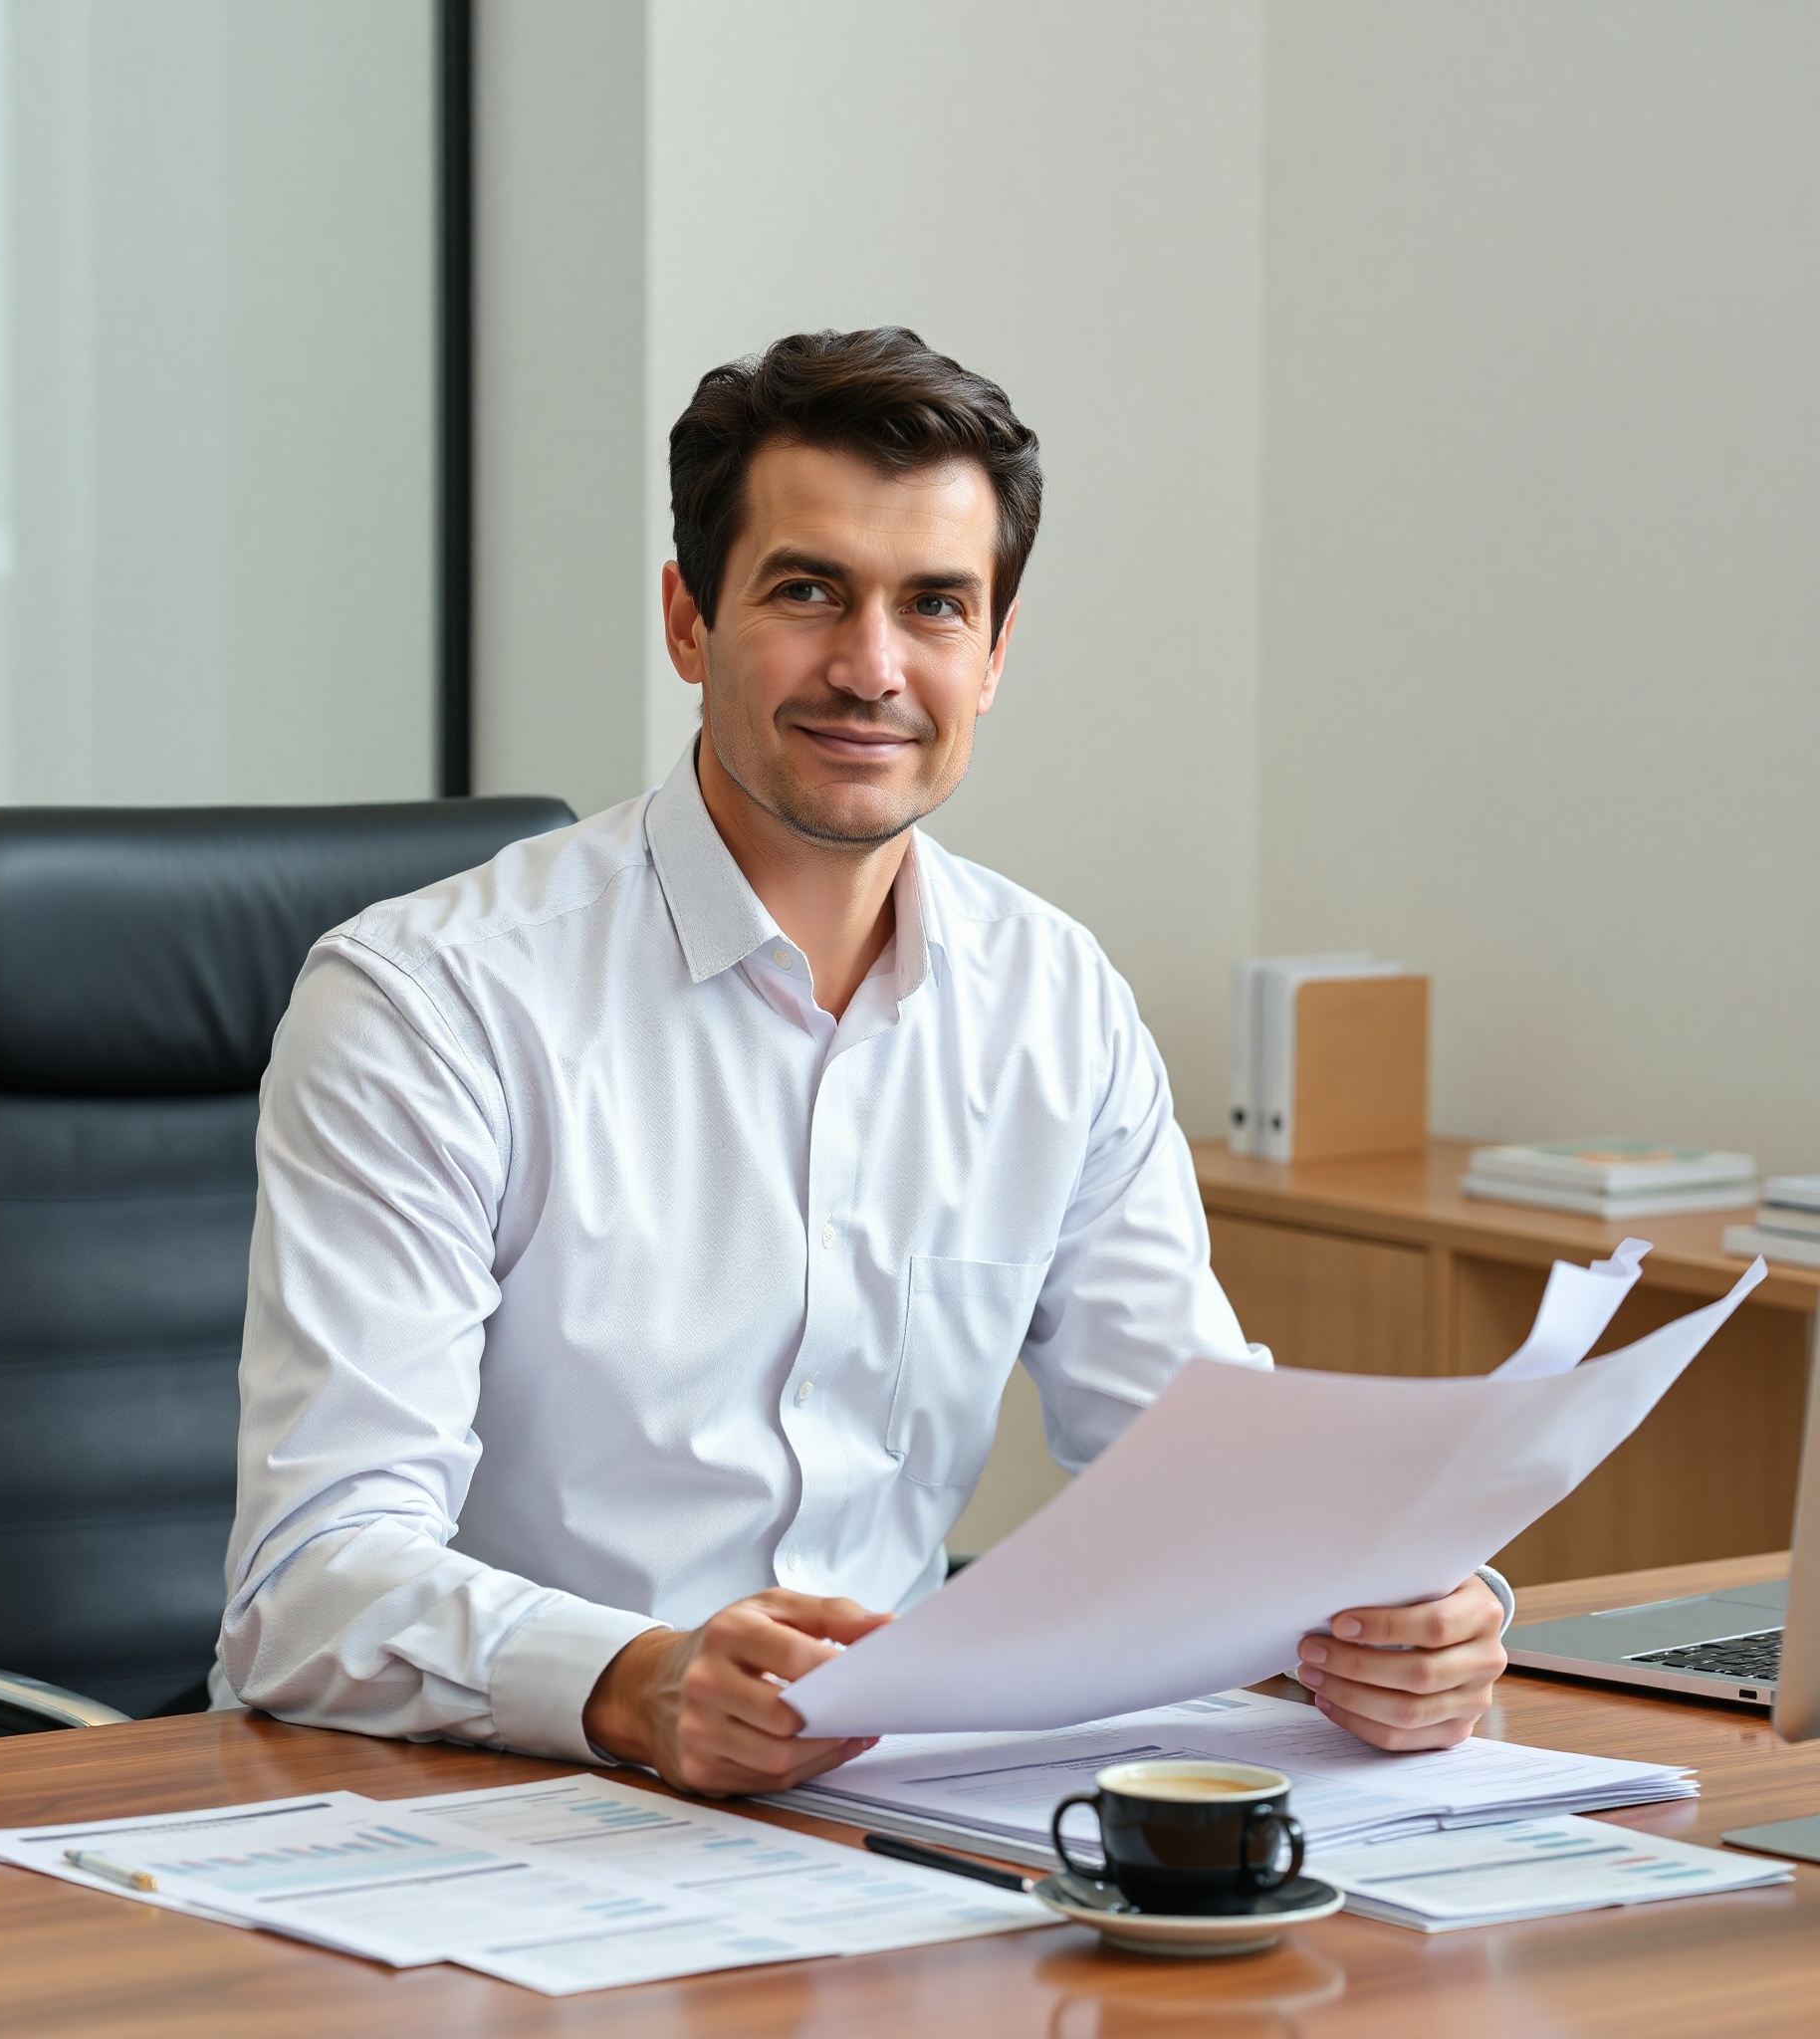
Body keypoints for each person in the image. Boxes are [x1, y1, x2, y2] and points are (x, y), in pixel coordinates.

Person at [215, 327, 1510, 1796]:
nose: (872, 667)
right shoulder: (431, 1001)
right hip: (482, 1809)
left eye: (937, 606)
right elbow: (306, 1582)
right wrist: (639, 1684)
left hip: (877, 1817)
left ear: (996, 654)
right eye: (808, 590)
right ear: (690, 623)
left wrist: (1390, 1619)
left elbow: (1196, 1465)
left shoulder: (1052, 1003)